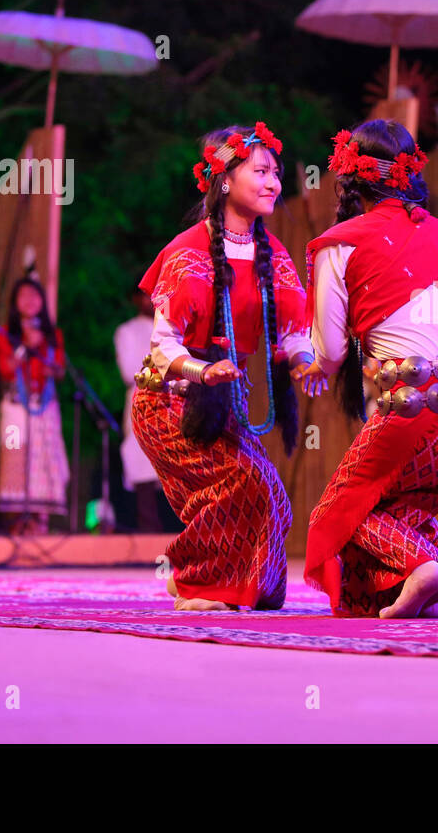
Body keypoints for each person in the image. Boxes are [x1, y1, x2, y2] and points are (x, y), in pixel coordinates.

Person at [297, 119, 438, 618]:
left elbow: (330, 350)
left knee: (338, 512)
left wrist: (308, 364)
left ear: (347, 179)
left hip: (421, 404)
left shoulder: (338, 244)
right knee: (398, 508)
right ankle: (424, 593)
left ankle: (424, 567)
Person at [132, 123, 319, 611]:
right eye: (260, 171)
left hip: (217, 405)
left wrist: (303, 361)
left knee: (273, 493)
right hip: (167, 404)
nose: (273, 182)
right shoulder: (187, 252)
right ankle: (198, 582)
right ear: (225, 180)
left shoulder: (273, 255)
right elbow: (161, 347)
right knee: (243, 483)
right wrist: (200, 371)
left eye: (275, 172)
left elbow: (290, 332)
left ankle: (235, 584)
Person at [0, 277, 69, 534]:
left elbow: (60, 370)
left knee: (44, 458)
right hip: (15, 405)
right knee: (15, 455)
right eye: (23, 295)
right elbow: (5, 369)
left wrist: (50, 364)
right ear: (15, 303)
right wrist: (24, 346)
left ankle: (41, 520)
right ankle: (17, 520)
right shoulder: (5, 333)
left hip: (45, 405)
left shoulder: (52, 334)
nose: (29, 300)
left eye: (35, 295)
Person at [113, 287, 171, 533]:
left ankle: (175, 529)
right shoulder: (126, 331)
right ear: (136, 299)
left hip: (172, 401)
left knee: (173, 462)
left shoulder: (171, 330)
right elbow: (130, 371)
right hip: (142, 398)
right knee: (141, 461)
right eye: (146, 294)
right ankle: (149, 529)